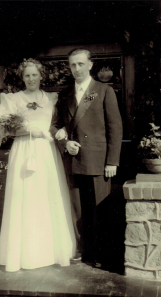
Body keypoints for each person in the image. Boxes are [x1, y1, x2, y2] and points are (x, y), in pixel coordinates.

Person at [0, 58, 76, 272]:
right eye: (27, 75)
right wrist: (28, 131)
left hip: (46, 152)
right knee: (25, 197)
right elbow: (0, 127)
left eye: (34, 75)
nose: (31, 79)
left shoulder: (51, 98)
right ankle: (25, 254)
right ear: (22, 77)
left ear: (41, 76)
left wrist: (60, 131)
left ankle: (49, 252)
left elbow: (58, 124)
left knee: (47, 197)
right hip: (23, 151)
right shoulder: (13, 99)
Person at [50, 48, 123, 267]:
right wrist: (64, 142)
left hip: (98, 162)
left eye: (81, 64)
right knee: (77, 210)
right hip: (73, 160)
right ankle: (82, 250)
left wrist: (112, 161)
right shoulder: (65, 95)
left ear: (90, 65)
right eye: (73, 65)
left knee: (99, 210)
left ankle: (100, 254)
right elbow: (54, 126)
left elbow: (115, 128)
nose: (77, 69)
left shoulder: (103, 91)